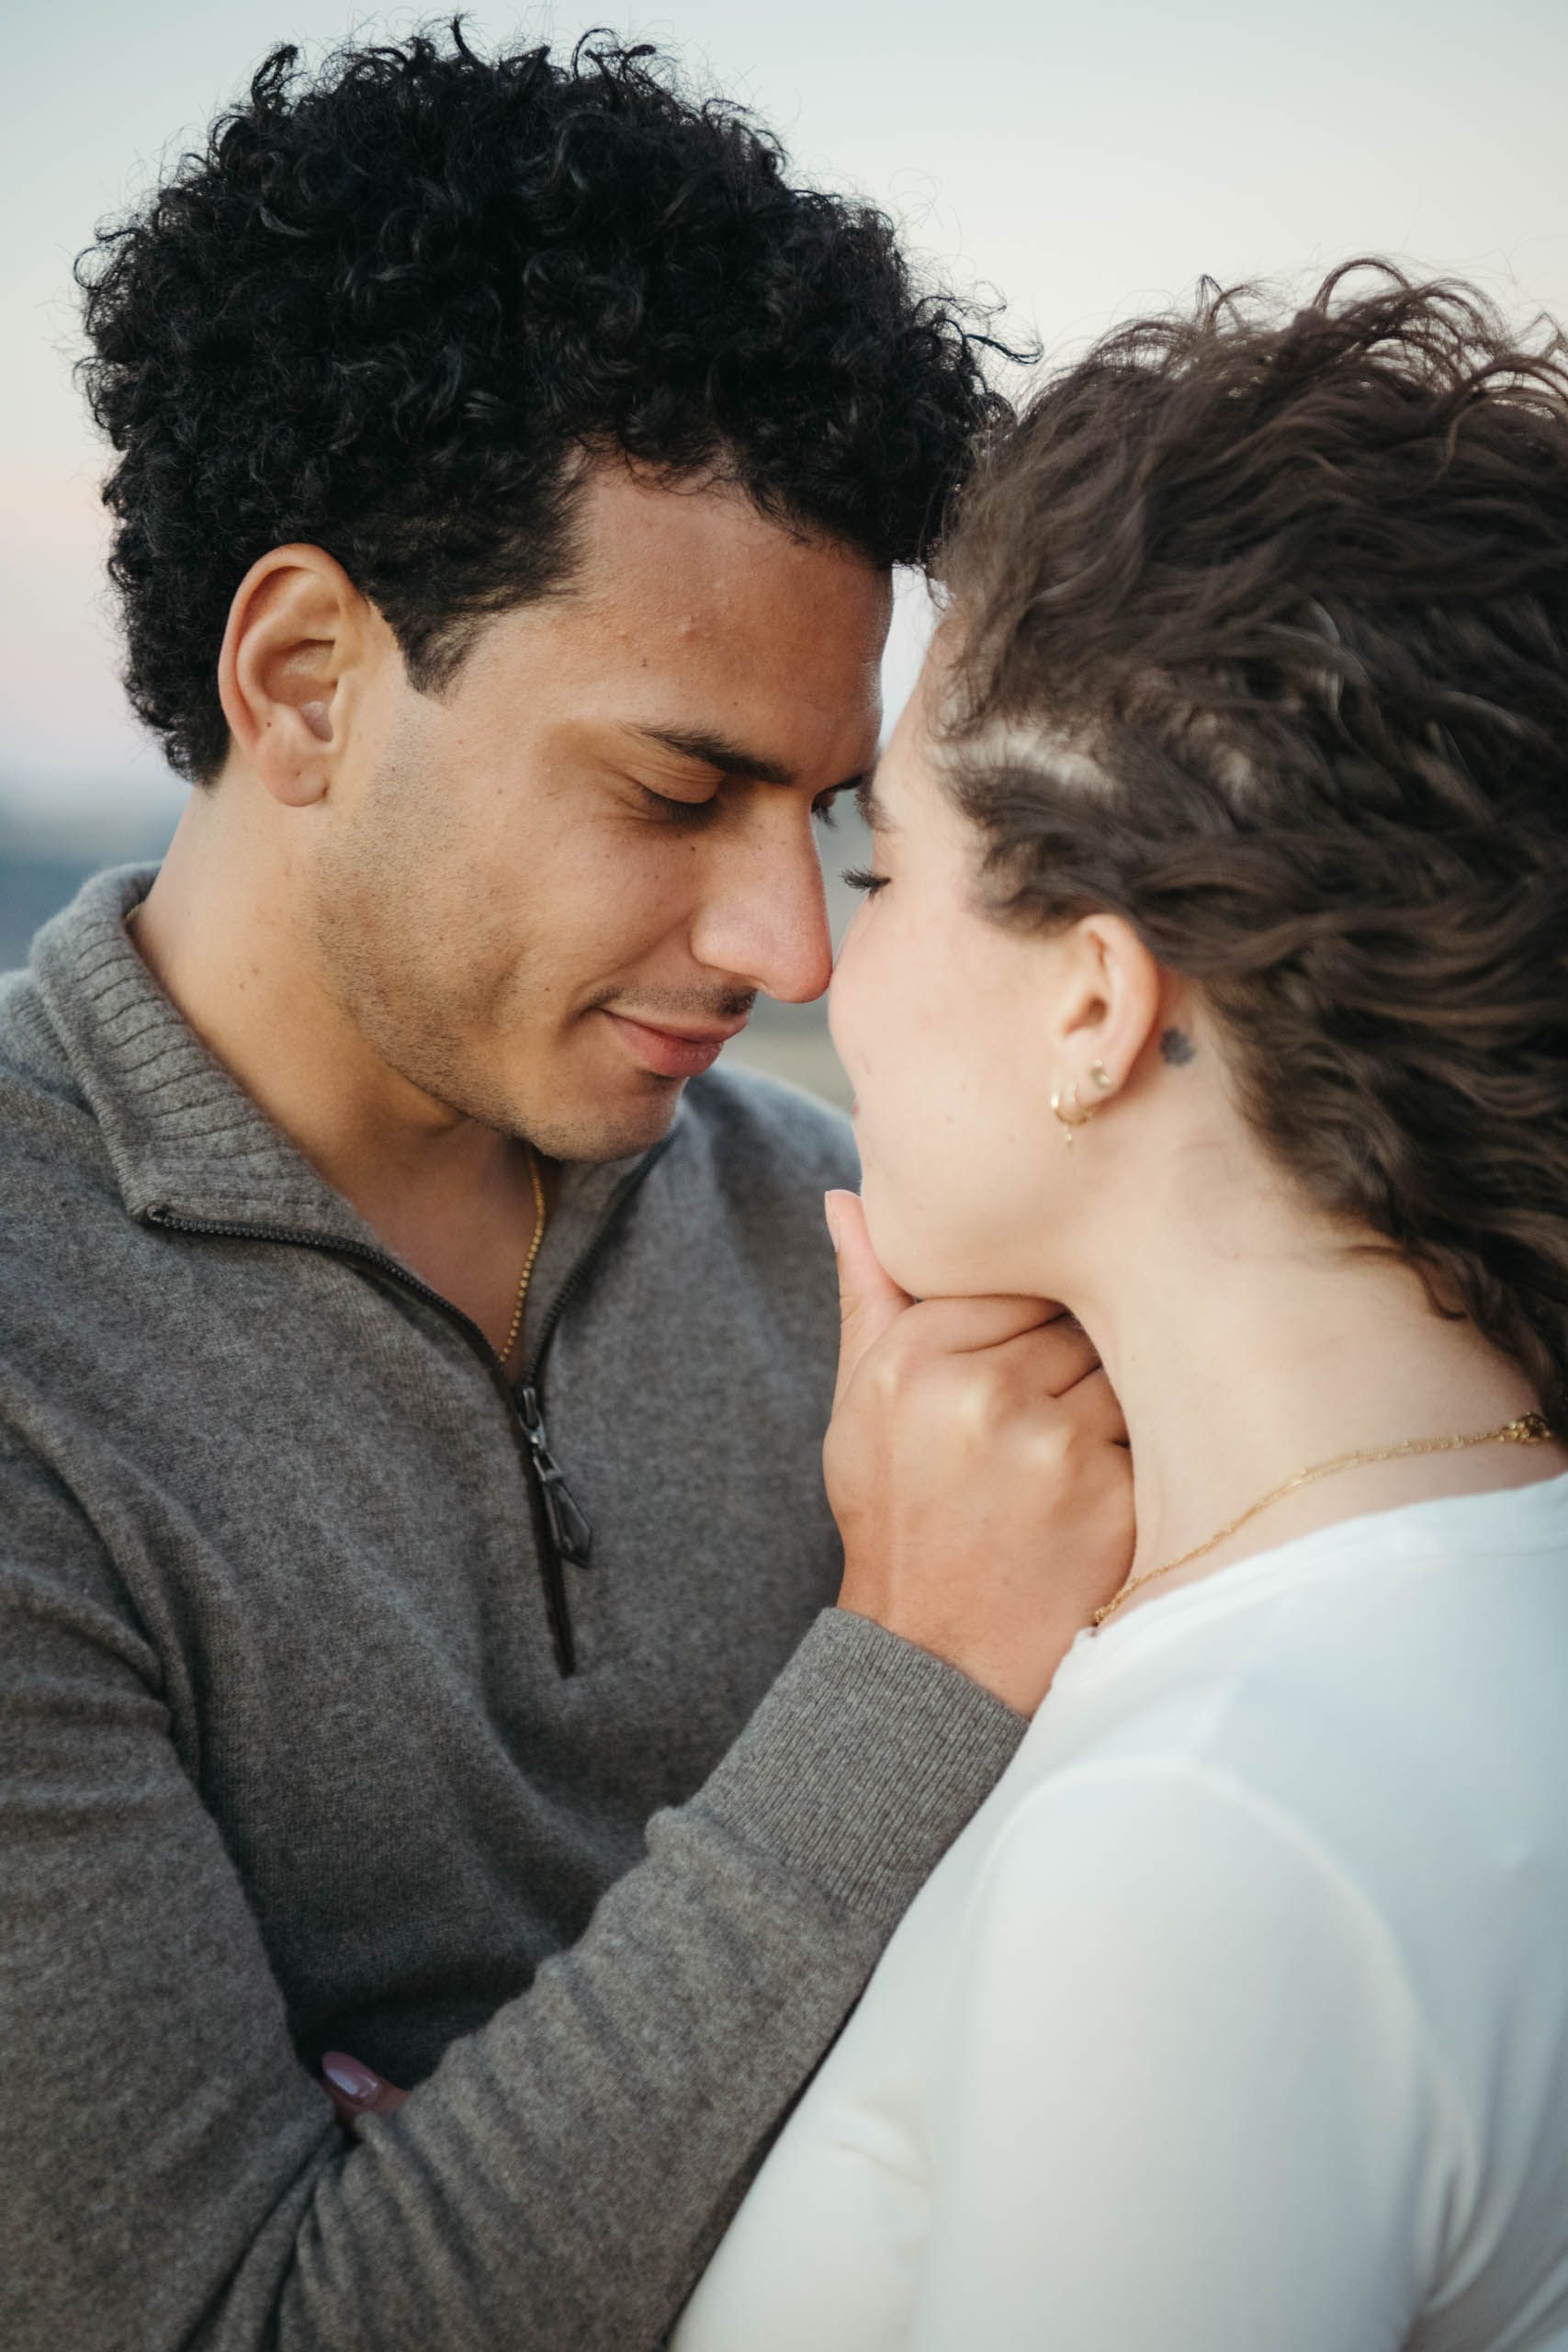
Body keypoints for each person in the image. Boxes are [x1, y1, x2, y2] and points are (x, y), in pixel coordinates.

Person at [0, 30, 1137, 2352]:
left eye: (820, 818)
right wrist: (910, 1681)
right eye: (673, 788)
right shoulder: (33, 1366)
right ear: (306, 673)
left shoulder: (859, 1248)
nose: (790, 948)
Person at [675, 269, 1568, 2350]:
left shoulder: (1204, 1840)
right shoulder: (1461, 1613)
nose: (819, 967)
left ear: (1093, 997)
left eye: (884, 873)